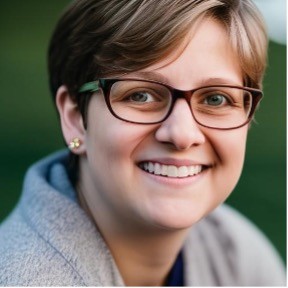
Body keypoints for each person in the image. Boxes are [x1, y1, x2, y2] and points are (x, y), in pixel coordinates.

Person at [0, 0, 285, 286]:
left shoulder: (239, 257)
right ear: (75, 117)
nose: (182, 135)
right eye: (141, 95)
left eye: (216, 99)